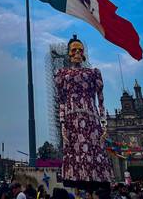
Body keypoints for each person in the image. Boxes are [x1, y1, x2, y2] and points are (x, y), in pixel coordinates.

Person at [55, 35, 113, 191]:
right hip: (71, 118)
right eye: (74, 50)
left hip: (91, 117)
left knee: (93, 151)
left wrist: (103, 122)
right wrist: (62, 124)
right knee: (75, 152)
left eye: (80, 50)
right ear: (69, 53)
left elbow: (100, 99)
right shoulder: (61, 74)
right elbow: (61, 101)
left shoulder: (93, 73)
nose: (77, 53)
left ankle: (94, 187)